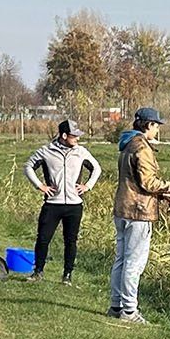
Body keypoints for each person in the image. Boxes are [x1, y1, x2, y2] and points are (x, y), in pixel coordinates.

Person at [110, 107, 170, 322]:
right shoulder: (142, 148)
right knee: (134, 263)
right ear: (148, 125)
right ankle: (129, 311)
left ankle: (116, 306)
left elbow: (136, 182)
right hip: (138, 212)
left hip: (123, 208)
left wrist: (164, 197)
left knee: (121, 260)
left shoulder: (127, 144)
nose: (157, 130)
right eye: (156, 126)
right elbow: (147, 182)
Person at [22, 119, 100, 283]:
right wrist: (40, 186)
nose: (77, 139)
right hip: (52, 204)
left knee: (70, 241)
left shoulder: (81, 152)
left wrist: (87, 186)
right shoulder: (46, 151)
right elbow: (28, 166)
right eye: (74, 136)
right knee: (43, 238)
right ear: (64, 135)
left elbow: (96, 168)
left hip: (74, 205)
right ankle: (38, 272)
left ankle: (67, 275)